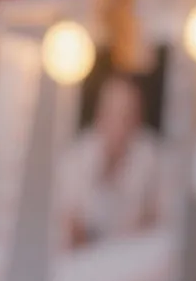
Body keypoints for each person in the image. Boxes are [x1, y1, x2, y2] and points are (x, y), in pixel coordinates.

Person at [53, 71, 163, 250]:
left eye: (128, 115)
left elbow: (156, 222)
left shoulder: (150, 157)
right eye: (114, 113)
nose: (120, 124)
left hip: (129, 260)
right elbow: (67, 222)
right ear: (100, 114)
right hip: (83, 259)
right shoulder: (75, 158)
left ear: (138, 118)